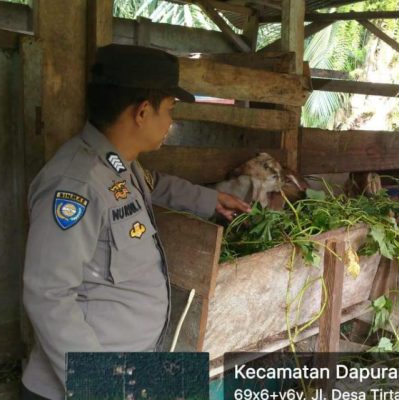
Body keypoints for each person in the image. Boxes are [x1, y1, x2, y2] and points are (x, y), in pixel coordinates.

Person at [21, 44, 250, 399]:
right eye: (169, 110)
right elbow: (47, 295)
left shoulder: (120, 165)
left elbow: (154, 185)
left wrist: (209, 199)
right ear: (143, 112)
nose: (171, 122)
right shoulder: (75, 184)